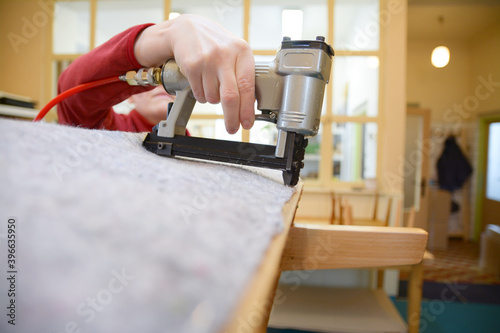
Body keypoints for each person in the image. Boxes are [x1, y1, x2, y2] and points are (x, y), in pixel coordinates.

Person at [57, 14, 255, 134]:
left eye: (175, 72)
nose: (162, 83)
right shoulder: (107, 128)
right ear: (130, 95)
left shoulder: (193, 146)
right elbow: (71, 95)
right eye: (154, 73)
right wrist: (166, 34)